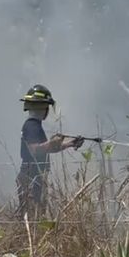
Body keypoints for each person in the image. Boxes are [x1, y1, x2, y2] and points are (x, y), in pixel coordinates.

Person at [17, 84, 83, 218]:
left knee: (37, 215)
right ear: (43, 107)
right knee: (32, 216)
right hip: (31, 177)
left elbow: (44, 149)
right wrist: (51, 143)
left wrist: (70, 144)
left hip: (36, 176)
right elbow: (35, 150)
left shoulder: (35, 125)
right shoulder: (32, 126)